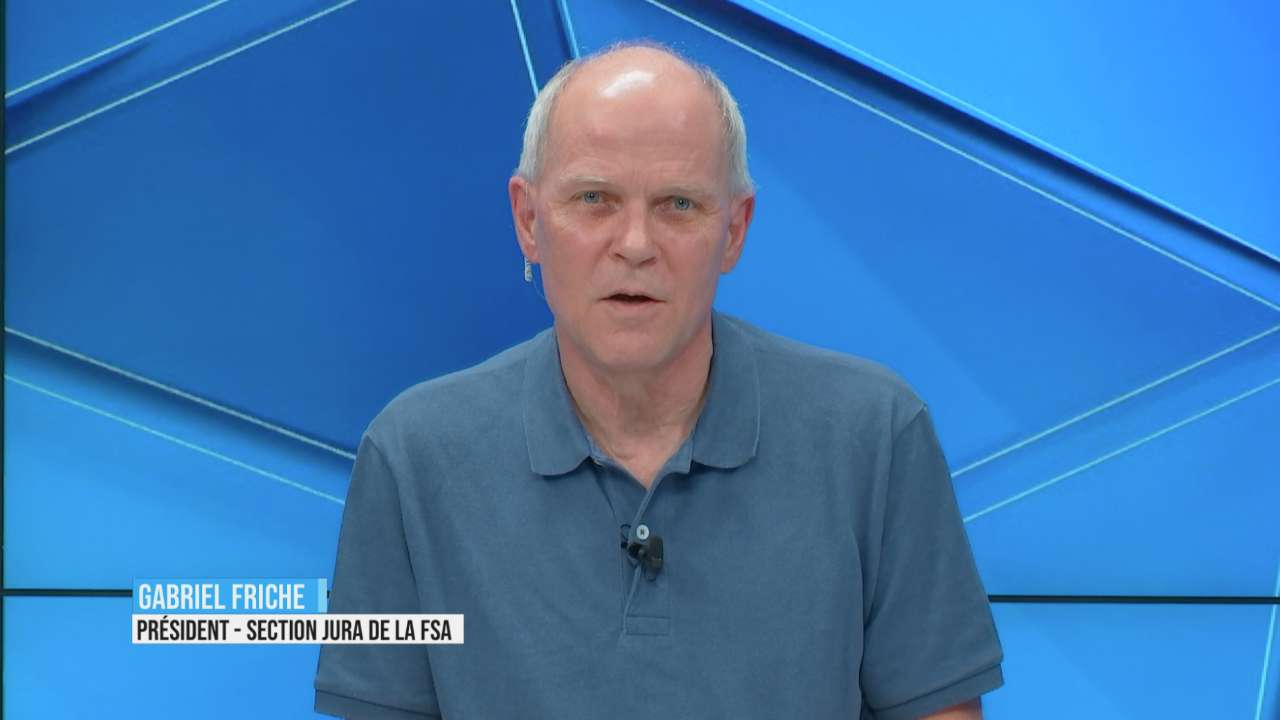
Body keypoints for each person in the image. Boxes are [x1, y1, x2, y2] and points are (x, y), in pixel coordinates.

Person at [315, 41, 1003, 719]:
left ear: (734, 229)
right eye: (594, 199)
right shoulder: (412, 458)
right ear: (528, 221)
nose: (636, 245)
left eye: (678, 204)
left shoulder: (874, 436)